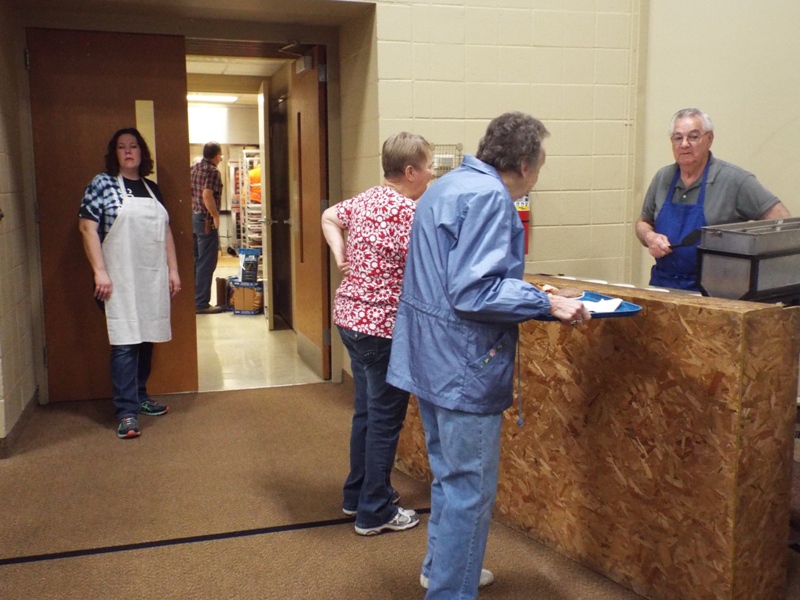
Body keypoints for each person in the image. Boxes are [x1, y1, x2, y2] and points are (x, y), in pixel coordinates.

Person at [386, 112, 589, 599]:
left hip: (429, 356)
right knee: (469, 490)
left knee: (450, 478)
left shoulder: (446, 186)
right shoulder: (490, 197)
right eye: (541, 163)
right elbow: (474, 291)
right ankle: (450, 590)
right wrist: (545, 303)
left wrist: (531, 293)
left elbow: (458, 277)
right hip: (462, 365)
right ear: (525, 163)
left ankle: (442, 571)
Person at [321, 132, 435, 536]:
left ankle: (357, 495)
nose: (433, 173)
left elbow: (329, 217)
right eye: (429, 166)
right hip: (382, 330)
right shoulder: (411, 214)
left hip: (350, 321)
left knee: (367, 414)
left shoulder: (366, 199)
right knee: (385, 421)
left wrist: (341, 255)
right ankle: (374, 511)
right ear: (411, 171)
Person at [78, 128, 181, 439]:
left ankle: (140, 396)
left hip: (150, 277)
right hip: (117, 278)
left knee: (146, 337)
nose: (127, 151)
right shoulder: (102, 184)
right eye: (121, 147)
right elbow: (87, 227)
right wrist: (99, 271)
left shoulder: (152, 188)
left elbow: (165, 232)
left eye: (133, 146)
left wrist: (173, 270)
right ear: (115, 153)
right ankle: (126, 412)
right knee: (125, 342)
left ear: (141, 152)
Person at [635, 107, 790, 291]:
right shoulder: (663, 177)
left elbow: (783, 223)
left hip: (716, 291)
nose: (684, 144)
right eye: (678, 138)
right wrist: (649, 237)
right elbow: (643, 222)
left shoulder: (734, 180)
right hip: (663, 286)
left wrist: (754, 261)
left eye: (693, 137)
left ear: (709, 139)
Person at [192, 141, 224, 314]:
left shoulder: (194, 168)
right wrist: (215, 215)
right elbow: (207, 195)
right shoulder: (212, 171)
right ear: (217, 155)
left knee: (196, 261)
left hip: (193, 218)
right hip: (205, 221)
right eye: (220, 155)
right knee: (206, 262)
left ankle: (193, 299)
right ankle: (201, 303)